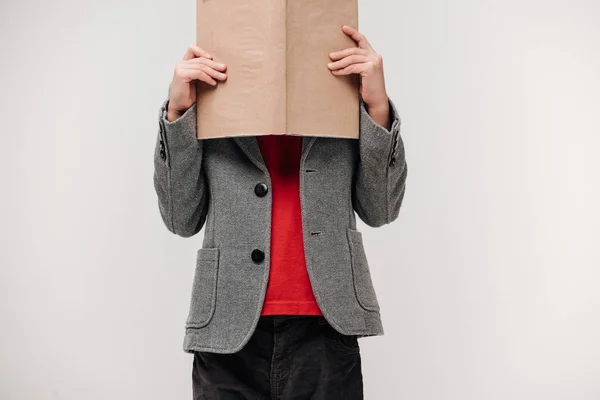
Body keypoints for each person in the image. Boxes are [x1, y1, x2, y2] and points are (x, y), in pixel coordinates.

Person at [153, 25, 407, 400]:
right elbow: (180, 217)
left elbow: (381, 209)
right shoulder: (208, 100)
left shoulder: (343, 97)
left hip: (326, 327)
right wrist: (178, 114)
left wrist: (378, 109)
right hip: (227, 330)